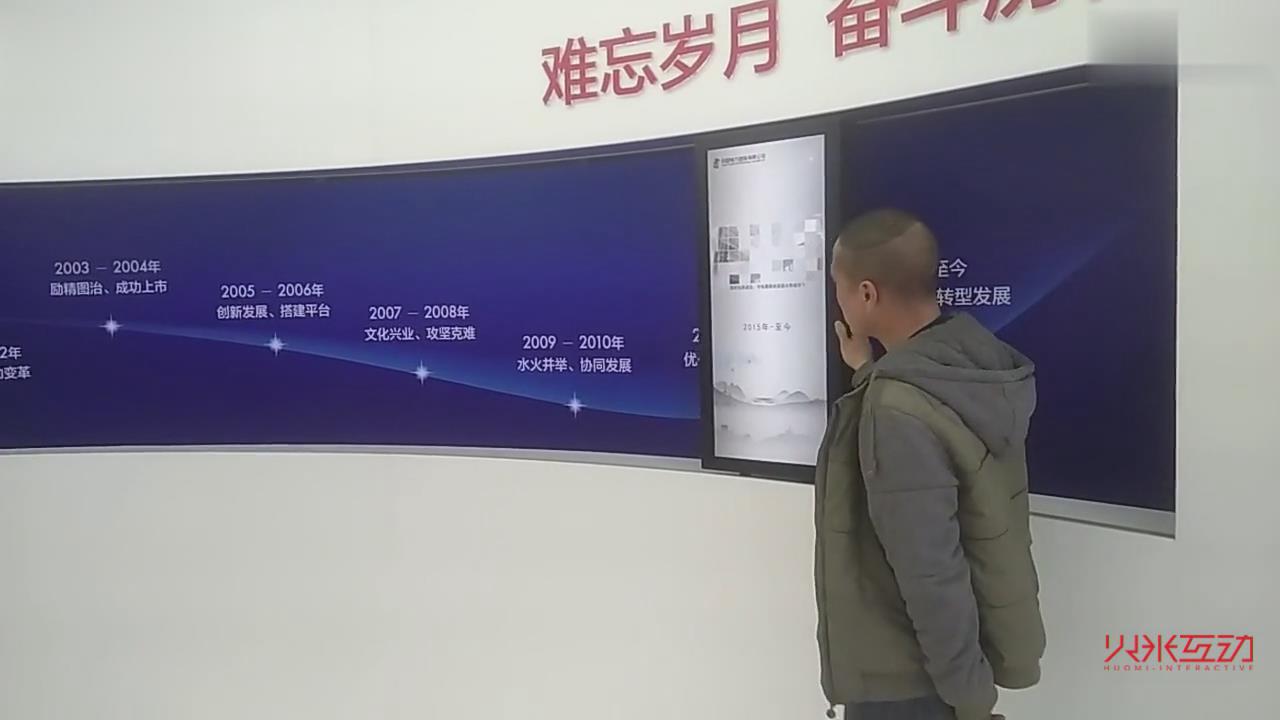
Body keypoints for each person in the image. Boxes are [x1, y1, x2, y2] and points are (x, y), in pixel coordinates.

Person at [814, 209, 1045, 720]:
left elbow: (931, 575)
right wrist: (868, 372)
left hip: (907, 684)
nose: (839, 301)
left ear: (866, 294)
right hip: (945, 674)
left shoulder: (895, 409)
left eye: (839, 287)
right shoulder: (971, 364)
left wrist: (971, 702)